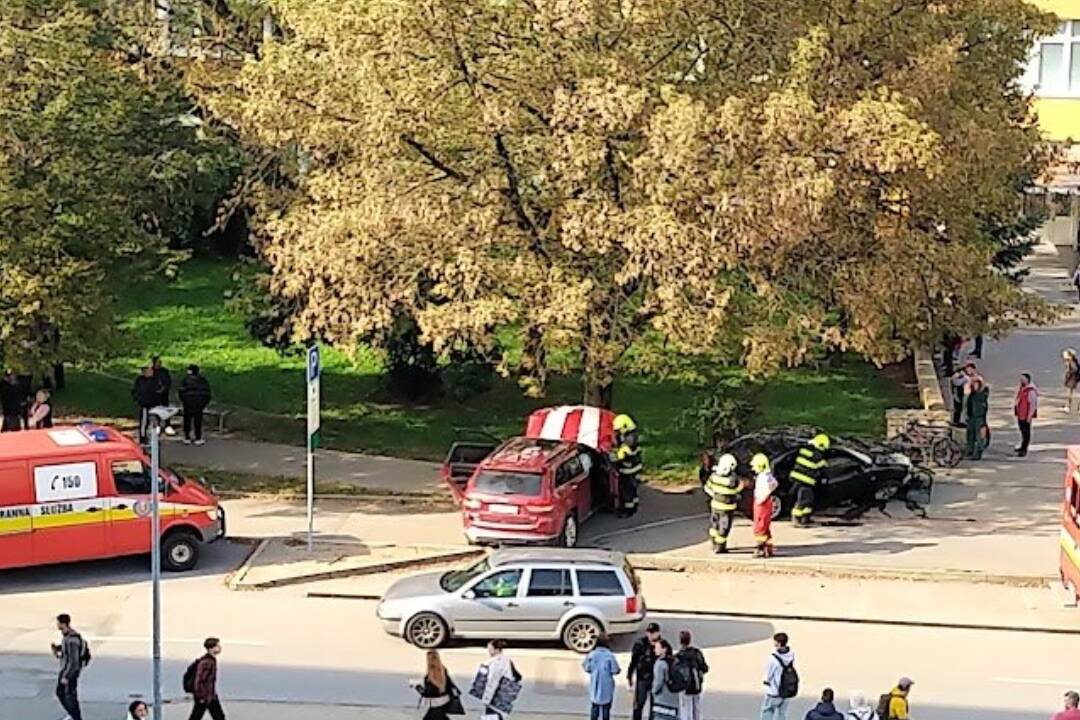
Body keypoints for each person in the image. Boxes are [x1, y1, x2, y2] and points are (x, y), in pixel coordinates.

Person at [703, 452, 742, 553]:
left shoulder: (714, 476)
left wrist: (715, 495)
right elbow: (736, 490)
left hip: (715, 506)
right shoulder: (732, 479)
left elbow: (707, 488)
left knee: (714, 525)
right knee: (724, 527)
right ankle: (720, 547)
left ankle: (714, 543)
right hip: (727, 508)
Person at [52, 613, 86, 720]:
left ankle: (76, 717)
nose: (56, 624)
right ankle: (74, 715)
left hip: (70, 673)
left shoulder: (72, 640)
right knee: (65, 694)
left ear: (63, 624)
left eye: (58, 622)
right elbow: (66, 653)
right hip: (65, 670)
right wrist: (58, 649)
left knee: (68, 695)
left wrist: (66, 676)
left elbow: (74, 661)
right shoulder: (66, 636)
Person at [790, 434, 828, 526]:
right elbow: (823, 468)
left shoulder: (805, 450)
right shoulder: (817, 455)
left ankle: (805, 518)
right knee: (803, 500)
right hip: (805, 481)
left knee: (808, 500)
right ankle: (796, 519)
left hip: (799, 479)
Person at [478, 639, 520, 720]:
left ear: (496, 650)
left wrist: (486, 699)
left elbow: (492, 681)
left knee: (492, 716)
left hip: (495, 697)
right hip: (504, 694)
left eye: (490, 649)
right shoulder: (507, 660)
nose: (489, 652)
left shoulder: (496, 663)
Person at [583, 634, 621, 720]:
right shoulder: (610, 656)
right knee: (606, 708)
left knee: (594, 707)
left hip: (595, 685)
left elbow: (586, 667)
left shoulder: (591, 655)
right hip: (607, 686)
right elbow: (615, 670)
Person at [628, 622, 661, 720]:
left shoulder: (662, 645)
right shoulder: (640, 644)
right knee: (639, 704)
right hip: (642, 678)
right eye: (649, 632)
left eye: (653, 632)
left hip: (656, 679)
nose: (650, 635)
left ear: (658, 633)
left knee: (654, 705)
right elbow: (634, 660)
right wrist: (629, 675)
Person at [188, 637, 226, 720]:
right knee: (197, 717)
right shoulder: (206, 662)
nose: (219, 648)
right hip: (205, 697)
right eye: (217, 646)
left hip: (210, 696)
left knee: (219, 717)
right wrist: (200, 696)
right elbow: (199, 680)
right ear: (211, 648)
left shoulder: (211, 660)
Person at [415, 649, 459, 720]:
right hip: (443, 702)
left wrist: (418, 687)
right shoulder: (442, 670)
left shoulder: (433, 671)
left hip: (436, 704)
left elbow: (435, 689)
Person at [761, 632, 796, 720]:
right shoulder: (791, 654)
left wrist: (766, 682)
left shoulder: (773, 658)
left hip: (775, 691)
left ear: (778, 643)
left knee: (767, 711)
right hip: (787, 690)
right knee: (782, 714)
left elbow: (768, 675)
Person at [675, 630, 708, 720]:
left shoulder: (679, 656)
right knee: (697, 708)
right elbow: (705, 668)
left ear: (680, 641)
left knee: (686, 709)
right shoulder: (697, 653)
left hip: (685, 687)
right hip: (697, 685)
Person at [613, 413, 642, 517]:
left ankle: (628, 510)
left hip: (628, 470)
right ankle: (633, 506)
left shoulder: (629, 440)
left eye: (619, 429)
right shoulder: (632, 435)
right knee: (632, 489)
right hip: (634, 468)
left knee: (626, 490)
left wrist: (616, 455)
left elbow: (623, 455)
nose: (618, 432)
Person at [752, 453, 778, 557]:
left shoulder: (763, 477)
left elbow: (767, 488)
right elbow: (775, 484)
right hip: (766, 503)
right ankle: (768, 548)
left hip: (762, 504)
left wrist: (760, 498)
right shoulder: (768, 475)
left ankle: (760, 549)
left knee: (760, 526)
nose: (753, 468)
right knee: (765, 526)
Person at [179, 365, 213, 445]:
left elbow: (181, 391)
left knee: (187, 420)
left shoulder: (185, 380)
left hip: (188, 403)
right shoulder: (202, 380)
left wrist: (184, 400)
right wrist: (204, 403)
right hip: (199, 404)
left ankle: (187, 437)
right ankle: (198, 437)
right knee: (198, 420)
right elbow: (207, 393)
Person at [649, 639, 679, 720]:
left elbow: (658, 682)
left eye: (657, 648)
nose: (654, 650)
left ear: (664, 649)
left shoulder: (660, 663)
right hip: (674, 697)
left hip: (662, 698)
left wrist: (653, 691)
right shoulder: (674, 660)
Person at [1014, 373, 1039, 458]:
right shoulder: (1022, 388)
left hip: (1026, 415)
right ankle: (1022, 446)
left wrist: (1029, 416)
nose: (1021, 381)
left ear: (1028, 380)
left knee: (1026, 432)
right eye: (1021, 379)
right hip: (1020, 413)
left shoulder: (1031, 391)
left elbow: (1032, 405)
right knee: (1022, 431)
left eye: (1023, 379)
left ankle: (1024, 449)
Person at [132, 366, 158, 444]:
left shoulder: (155, 380)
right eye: (149, 371)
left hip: (154, 404)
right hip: (144, 404)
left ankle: (153, 437)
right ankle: (143, 438)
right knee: (144, 421)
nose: (151, 373)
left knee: (153, 421)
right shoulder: (140, 381)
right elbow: (136, 391)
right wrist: (139, 399)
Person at [964, 378, 989, 460]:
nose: (975, 386)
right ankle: (969, 450)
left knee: (979, 437)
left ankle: (978, 453)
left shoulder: (982, 395)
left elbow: (984, 408)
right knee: (970, 435)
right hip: (971, 417)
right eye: (974, 385)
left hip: (979, 418)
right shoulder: (972, 394)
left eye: (977, 385)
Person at [152, 356, 175, 436]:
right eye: (158, 362)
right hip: (155, 394)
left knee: (165, 408)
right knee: (157, 409)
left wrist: (164, 388)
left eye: (160, 362)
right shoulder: (151, 371)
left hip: (164, 393)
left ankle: (167, 425)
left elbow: (168, 381)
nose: (159, 364)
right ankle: (157, 425)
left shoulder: (164, 371)